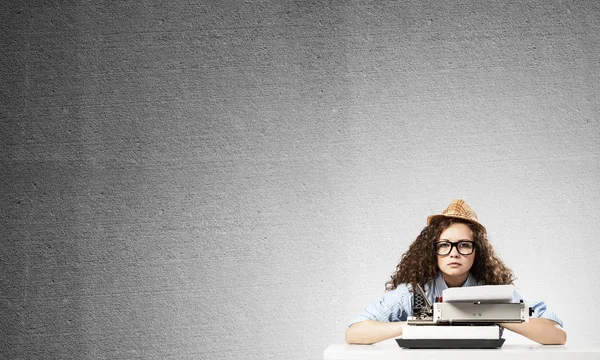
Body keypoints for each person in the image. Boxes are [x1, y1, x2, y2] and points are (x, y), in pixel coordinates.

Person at [345, 199, 566, 345]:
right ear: (433, 250)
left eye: (464, 245)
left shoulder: (494, 293)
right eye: (444, 245)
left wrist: (490, 313)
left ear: (476, 252)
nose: (454, 253)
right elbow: (354, 333)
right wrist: (421, 323)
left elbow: (557, 335)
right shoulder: (414, 294)